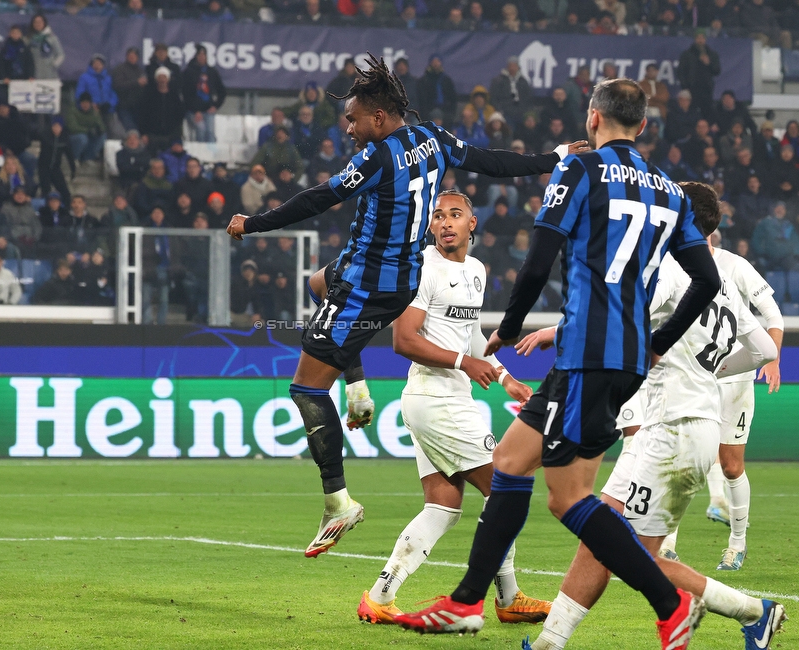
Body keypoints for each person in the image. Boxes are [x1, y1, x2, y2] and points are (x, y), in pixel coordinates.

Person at [394, 79, 720, 648]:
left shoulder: (579, 170)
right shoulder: (671, 191)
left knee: (568, 497)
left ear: (593, 118)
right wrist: (659, 339)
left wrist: (509, 328)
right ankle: (468, 601)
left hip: (587, 353)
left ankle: (671, 606)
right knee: (511, 461)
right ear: (642, 126)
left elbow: (541, 256)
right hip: (619, 359)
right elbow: (707, 279)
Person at [226, 55, 586, 559]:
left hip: (368, 283)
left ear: (378, 117)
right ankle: (357, 390)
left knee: (306, 388)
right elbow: (491, 161)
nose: (347, 128)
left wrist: (254, 223)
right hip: (394, 278)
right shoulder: (434, 138)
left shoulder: (376, 157)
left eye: (353, 119)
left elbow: (318, 198)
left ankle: (338, 502)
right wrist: (553, 156)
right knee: (316, 284)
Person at [520, 182, 785, 650]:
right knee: (600, 533)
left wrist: (554, 331)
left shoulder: (671, 270)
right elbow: (764, 349)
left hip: (673, 428)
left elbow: (619, 317)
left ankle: (754, 611)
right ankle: (549, 641)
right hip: (676, 425)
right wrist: (711, 369)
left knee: (631, 554)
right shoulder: (720, 285)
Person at [357, 191, 550, 626]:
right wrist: (467, 363)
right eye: (438, 216)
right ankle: (509, 597)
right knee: (504, 489)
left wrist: (504, 377)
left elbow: (469, 337)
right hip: (434, 397)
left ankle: (379, 596)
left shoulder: (477, 271)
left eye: (455, 215)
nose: (446, 222)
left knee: (442, 506)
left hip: (445, 398)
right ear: (430, 227)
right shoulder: (423, 267)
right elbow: (404, 340)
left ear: (472, 223)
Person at [657, 226, 784, 570]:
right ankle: (667, 544)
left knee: (730, 465)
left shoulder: (735, 266)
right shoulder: (671, 266)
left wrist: (773, 359)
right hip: (691, 378)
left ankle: (737, 544)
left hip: (734, 378)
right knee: (682, 457)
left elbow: (772, 315)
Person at [180, 46, 226, 143]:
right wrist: (195, 110)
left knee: (210, 132)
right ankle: (199, 156)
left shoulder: (212, 72)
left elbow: (222, 91)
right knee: (200, 130)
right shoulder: (189, 72)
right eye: (199, 55)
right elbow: (186, 94)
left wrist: (216, 106)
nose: (201, 57)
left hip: (208, 109)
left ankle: (212, 156)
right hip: (193, 111)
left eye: (203, 55)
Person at [677, 32, 721, 121]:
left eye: (702, 38)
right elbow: (681, 72)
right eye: (698, 38)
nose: (700, 41)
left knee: (707, 113)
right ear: (694, 39)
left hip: (706, 89)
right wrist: (685, 87)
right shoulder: (687, 54)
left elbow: (717, 71)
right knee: (691, 112)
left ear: (705, 40)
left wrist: (709, 64)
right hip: (692, 88)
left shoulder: (712, 54)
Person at [38, 116, 75, 205]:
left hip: (56, 168)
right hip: (44, 167)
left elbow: (69, 154)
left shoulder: (65, 138)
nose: (56, 129)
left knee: (65, 192)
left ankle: (67, 210)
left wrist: (73, 169)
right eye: (54, 126)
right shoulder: (45, 135)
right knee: (45, 191)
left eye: (59, 127)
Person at [65, 93, 107, 163]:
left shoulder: (94, 111)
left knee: (102, 137)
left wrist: (99, 130)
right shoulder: (72, 110)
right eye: (83, 103)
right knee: (82, 138)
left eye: (87, 103)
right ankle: (74, 158)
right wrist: (88, 131)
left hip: (88, 136)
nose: (85, 105)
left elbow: (101, 126)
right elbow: (72, 127)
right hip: (73, 136)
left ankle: (88, 158)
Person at [26, 13, 64, 81]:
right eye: (35, 22)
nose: (38, 24)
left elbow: (60, 54)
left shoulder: (51, 38)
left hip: (50, 73)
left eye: (40, 22)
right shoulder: (29, 39)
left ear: (44, 23)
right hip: (35, 74)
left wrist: (54, 64)